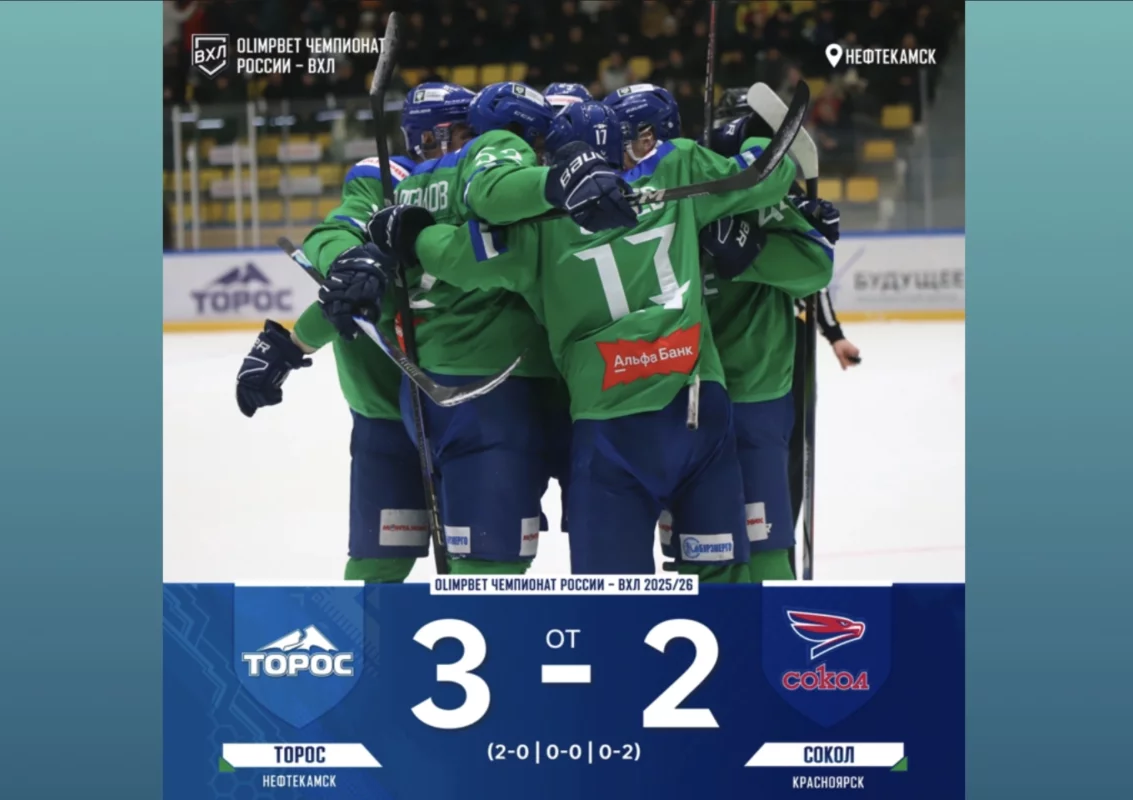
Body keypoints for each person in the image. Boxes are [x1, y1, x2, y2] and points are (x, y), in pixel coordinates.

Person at [363, 89, 798, 580]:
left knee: (611, 594)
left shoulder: (535, 230)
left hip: (610, 427)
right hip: (698, 408)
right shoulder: (676, 169)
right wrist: (748, 142)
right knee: (722, 578)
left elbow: (453, 257)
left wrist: (413, 233)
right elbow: (769, 175)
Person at [318, 81, 636, 576]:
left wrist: (294, 339)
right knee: (504, 564)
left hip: (422, 394)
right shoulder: (490, 172)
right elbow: (486, 225)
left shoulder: (404, 184)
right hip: (509, 392)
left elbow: (344, 257)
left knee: (409, 561)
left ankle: (389, 631)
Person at [232, 83, 474, 584]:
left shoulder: (479, 181)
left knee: (478, 558)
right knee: (382, 558)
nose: (474, 142)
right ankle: (368, 637)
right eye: (462, 132)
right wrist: (347, 265)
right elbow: (338, 241)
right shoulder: (384, 179)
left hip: (469, 400)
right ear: (430, 136)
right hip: (384, 406)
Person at [688, 111, 837, 581]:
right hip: (684, 396)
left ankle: (774, 625)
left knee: (764, 539)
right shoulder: (679, 201)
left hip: (755, 393)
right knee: (700, 547)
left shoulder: (765, 208)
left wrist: (753, 250)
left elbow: (815, 269)